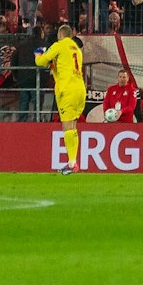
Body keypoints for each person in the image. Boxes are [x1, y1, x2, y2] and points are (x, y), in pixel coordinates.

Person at [33, 23, 86, 174]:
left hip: (67, 90)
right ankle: (72, 161)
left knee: (67, 126)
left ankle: (72, 163)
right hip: (80, 89)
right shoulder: (76, 49)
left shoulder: (59, 45)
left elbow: (40, 62)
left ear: (60, 35)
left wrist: (38, 53)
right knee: (73, 125)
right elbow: (62, 66)